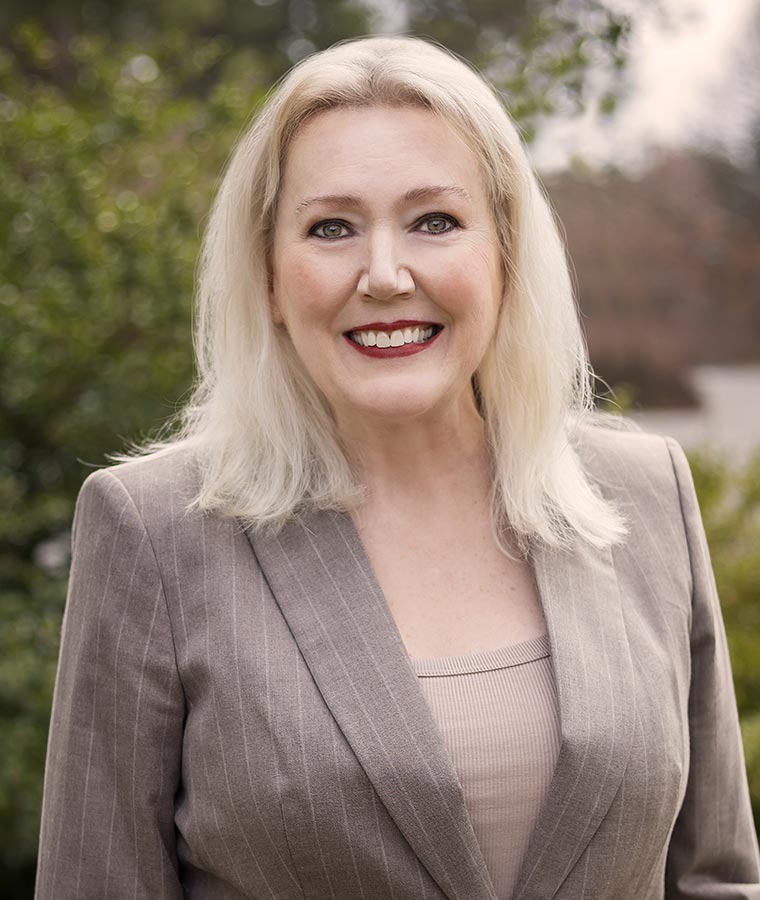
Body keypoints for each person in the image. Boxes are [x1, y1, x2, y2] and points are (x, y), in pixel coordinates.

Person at [34, 34, 759, 900]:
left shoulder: (646, 493)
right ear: (268, 273)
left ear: (505, 253)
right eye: (331, 227)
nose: (384, 274)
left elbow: (714, 877)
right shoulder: (151, 531)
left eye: (435, 221)